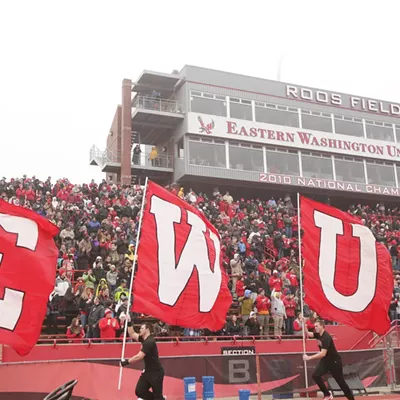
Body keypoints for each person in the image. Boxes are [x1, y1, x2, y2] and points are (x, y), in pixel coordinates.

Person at [303, 319, 355, 400]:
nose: (315, 327)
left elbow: (322, 353)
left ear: (322, 327)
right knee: (315, 375)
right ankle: (327, 394)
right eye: (315, 326)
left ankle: (351, 398)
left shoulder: (326, 337)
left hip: (335, 362)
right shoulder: (318, 334)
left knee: (340, 382)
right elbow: (308, 334)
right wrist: (304, 325)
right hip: (326, 360)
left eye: (317, 326)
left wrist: (309, 358)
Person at [120, 321, 164, 399]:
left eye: (142, 328)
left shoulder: (149, 342)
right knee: (139, 391)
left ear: (147, 330)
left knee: (158, 396)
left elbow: (139, 356)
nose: (140, 330)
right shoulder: (144, 339)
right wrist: (129, 322)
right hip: (147, 372)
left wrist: (126, 362)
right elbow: (132, 334)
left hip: (156, 373)